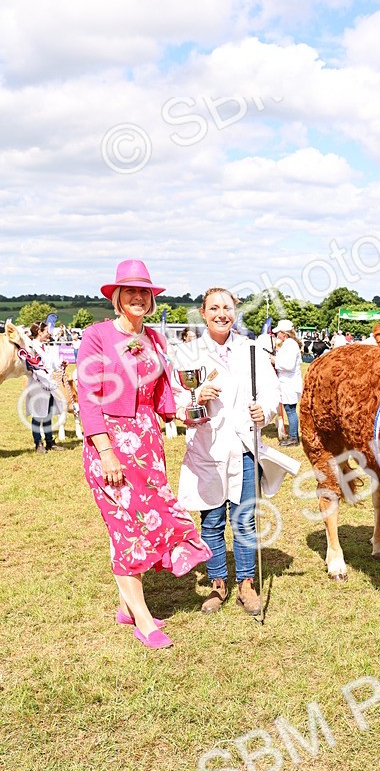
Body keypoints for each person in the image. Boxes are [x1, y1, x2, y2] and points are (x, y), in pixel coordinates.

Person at [76, 260, 211, 649]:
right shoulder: (96, 336)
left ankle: (126, 605)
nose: (138, 297)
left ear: (151, 299)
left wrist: (191, 409)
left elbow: (164, 393)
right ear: (117, 297)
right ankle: (144, 619)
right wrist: (106, 451)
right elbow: (89, 397)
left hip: (149, 443)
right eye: (130, 291)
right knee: (125, 528)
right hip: (111, 443)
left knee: (149, 518)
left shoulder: (155, 338)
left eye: (144, 291)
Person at [172, 287, 280, 615]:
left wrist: (267, 410)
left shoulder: (252, 351)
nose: (222, 314)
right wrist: (196, 397)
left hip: (245, 447)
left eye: (228, 308)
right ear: (203, 313)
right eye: (214, 308)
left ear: (235, 312)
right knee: (212, 518)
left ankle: (246, 583)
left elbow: (272, 391)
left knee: (244, 519)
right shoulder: (187, 354)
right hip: (207, 447)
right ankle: (218, 582)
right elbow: (176, 401)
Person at [24, 322, 65, 453]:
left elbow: (52, 364)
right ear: (40, 332)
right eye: (47, 330)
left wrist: (61, 364)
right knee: (38, 415)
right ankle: (38, 443)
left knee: (48, 415)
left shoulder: (45, 347)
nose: (49, 333)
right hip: (38, 385)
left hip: (49, 386)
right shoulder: (31, 348)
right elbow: (35, 368)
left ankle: (49, 441)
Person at [273, 318, 303, 445]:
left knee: (290, 410)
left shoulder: (290, 345)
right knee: (290, 409)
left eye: (278, 332)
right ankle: (293, 436)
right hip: (288, 382)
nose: (277, 335)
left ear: (284, 334)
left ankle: (293, 437)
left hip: (289, 383)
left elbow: (289, 365)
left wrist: (274, 361)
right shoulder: (289, 344)